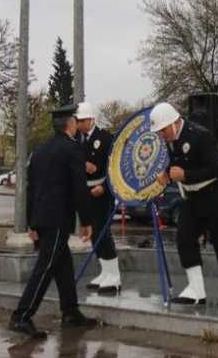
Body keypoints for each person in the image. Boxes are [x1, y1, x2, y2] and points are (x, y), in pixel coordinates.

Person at [9, 104, 96, 338]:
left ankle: (70, 312)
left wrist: (31, 223)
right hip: (57, 219)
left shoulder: (40, 150)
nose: (78, 126)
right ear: (71, 125)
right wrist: (87, 221)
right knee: (46, 267)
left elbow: (31, 188)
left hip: (43, 218)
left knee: (63, 265)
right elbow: (79, 188)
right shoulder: (72, 149)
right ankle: (21, 316)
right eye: (76, 122)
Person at [152, 102, 218, 308]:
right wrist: (167, 174)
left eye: (162, 130)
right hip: (193, 197)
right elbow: (179, 162)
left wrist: (186, 175)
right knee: (184, 239)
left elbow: (215, 167)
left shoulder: (201, 135)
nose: (161, 135)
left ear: (174, 123)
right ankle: (196, 289)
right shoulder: (171, 139)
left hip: (216, 194)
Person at [75, 101, 121, 294]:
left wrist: (103, 185)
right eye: (78, 120)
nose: (79, 123)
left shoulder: (105, 138)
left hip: (102, 191)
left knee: (103, 232)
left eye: (82, 120)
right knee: (93, 232)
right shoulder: (79, 141)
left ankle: (115, 275)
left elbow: (113, 166)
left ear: (91, 119)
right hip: (87, 192)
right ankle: (105, 271)